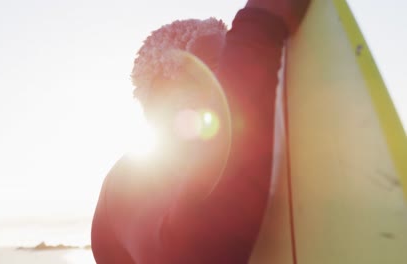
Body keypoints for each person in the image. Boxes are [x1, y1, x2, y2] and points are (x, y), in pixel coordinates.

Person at [91, 0, 310, 263]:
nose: (224, 92)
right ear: (162, 96)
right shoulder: (132, 176)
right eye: (210, 74)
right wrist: (259, 26)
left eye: (227, 73)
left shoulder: (237, 164)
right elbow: (190, 254)